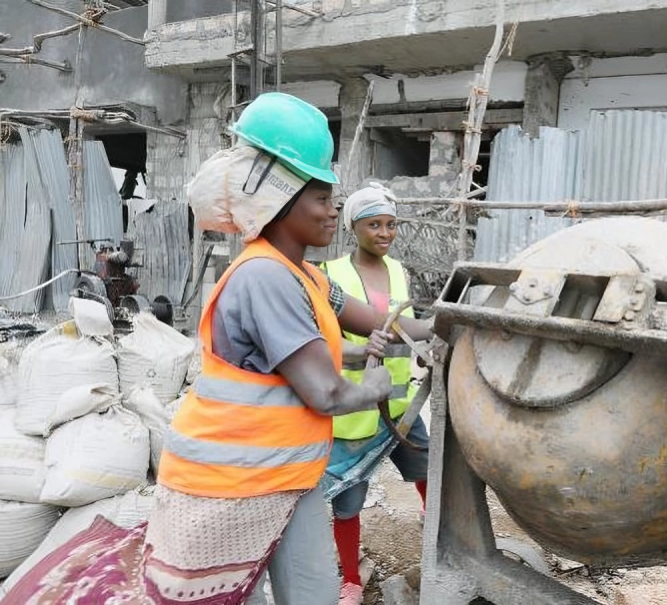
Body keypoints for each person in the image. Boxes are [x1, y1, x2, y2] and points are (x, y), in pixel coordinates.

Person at [0, 92, 432, 605]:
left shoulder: (307, 276)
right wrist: (379, 382)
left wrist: (445, 324)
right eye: (320, 197)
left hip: (284, 476)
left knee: (310, 590)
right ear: (279, 202)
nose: (332, 210)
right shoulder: (266, 278)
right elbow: (328, 394)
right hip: (230, 484)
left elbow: (379, 321)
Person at [320, 183, 432, 605]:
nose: (385, 233)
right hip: (354, 413)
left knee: (428, 472)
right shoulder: (331, 275)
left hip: (402, 407)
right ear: (353, 227)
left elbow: (411, 326)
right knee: (347, 504)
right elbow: (324, 342)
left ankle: (431, 520)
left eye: (391, 224)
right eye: (374, 225)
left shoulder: (400, 271)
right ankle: (351, 577)